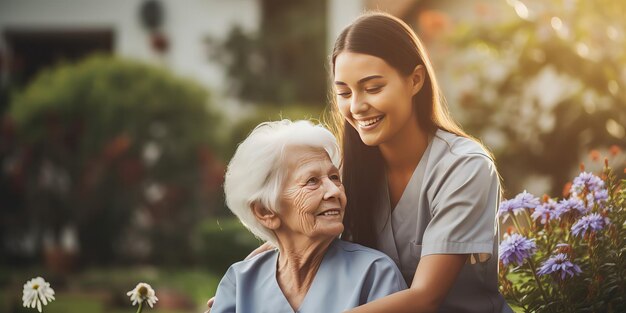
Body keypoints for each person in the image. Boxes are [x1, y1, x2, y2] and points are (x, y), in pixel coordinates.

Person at [328, 12, 513, 313]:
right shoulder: (342, 172)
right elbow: (293, 249)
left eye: (373, 88)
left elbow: (425, 298)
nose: (357, 106)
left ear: (415, 80)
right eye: (344, 93)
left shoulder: (465, 168)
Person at [210, 120, 407, 313]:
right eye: (312, 181)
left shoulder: (375, 274)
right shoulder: (239, 283)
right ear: (265, 211)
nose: (334, 191)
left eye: (334, 177)